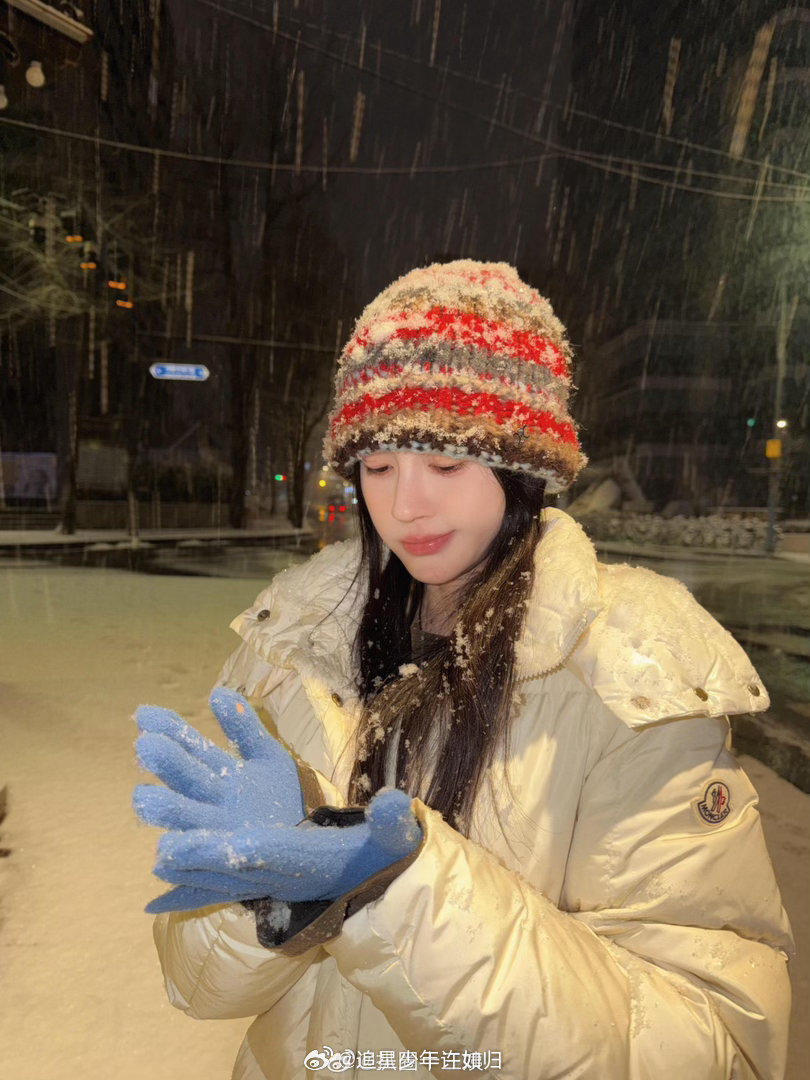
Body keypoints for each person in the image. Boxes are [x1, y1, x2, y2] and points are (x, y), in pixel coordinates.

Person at [134, 260, 793, 1080]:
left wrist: (402, 895)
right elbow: (192, 984)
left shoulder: (630, 675)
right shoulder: (293, 649)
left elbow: (717, 1049)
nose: (404, 504)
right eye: (377, 467)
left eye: (444, 463)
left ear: (524, 471)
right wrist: (268, 896)